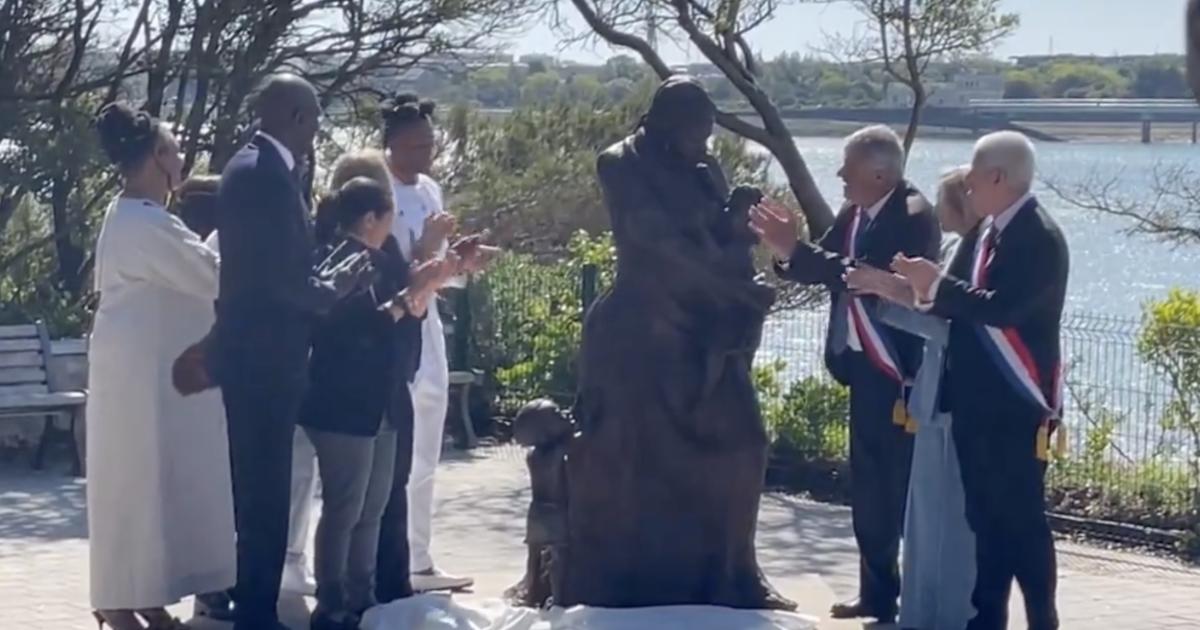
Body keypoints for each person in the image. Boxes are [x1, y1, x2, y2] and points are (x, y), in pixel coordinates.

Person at [561, 76, 787, 609]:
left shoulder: (707, 168)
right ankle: (626, 578)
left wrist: (742, 230)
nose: (704, 144)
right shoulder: (620, 162)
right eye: (694, 132)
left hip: (707, 328)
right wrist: (733, 284)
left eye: (708, 132)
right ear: (664, 122)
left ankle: (736, 571)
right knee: (629, 459)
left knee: (744, 444)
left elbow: (719, 235)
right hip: (644, 330)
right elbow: (655, 241)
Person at [750, 124, 941, 624]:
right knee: (869, 486)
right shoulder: (856, 212)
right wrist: (786, 252)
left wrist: (798, 250)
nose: (838, 175)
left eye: (848, 168)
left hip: (901, 373)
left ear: (880, 174)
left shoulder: (914, 217)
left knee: (897, 488)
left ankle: (913, 592)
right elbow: (824, 263)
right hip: (862, 366)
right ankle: (876, 594)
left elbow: (858, 274)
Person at [212, 73, 373, 630]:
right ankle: (255, 614)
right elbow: (271, 279)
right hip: (263, 361)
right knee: (263, 496)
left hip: (261, 358)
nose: (319, 132)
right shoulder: (263, 175)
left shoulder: (256, 168)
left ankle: (255, 608)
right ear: (298, 118)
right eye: (316, 120)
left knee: (264, 493)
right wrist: (334, 291)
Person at [891, 131, 1067, 630]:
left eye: (972, 175)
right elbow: (962, 304)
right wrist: (926, 287)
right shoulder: (991, 233)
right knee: (984, 521)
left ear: (998, 177)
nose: (965, 185)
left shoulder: (1039, 236)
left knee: (1023, 525)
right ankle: (986, 617)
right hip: (975, 403)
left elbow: (1004, 309)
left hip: (1015, 403)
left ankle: (1041, 619)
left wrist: (938, 285)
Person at [86, 102, 235, 630]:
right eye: (172, 150)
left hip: (148, 370)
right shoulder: (141, 221)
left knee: (154, 483)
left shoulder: (141, 217)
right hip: (134, 376)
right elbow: (210, 274)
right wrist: (237, 232)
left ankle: (146, 593)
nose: (180, 159)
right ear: (156, 158)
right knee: (131, 483)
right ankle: (115, 598)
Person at [300, 175, 455, 630]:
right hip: (343, 404)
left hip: (383, 398)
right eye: (388, 217)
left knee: (372, 507)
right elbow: (347, 326)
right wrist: (404, 302)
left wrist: (425, 284)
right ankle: (331, 603)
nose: (391, 227)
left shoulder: (383, 258)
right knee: (344, 508)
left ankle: (363, 597)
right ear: (371, 218)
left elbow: (400, 315)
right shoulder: (334, 259)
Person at [845, 166, 980, 630]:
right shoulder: (967, 248)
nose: (939, 212)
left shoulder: (975, 251)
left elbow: (957, 323)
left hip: (954, 404)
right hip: (933, 402)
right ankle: (920, 611)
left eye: (946, 201)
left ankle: (948, 614)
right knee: (922, 519)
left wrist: (890, 292)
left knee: (945, 523)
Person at [380, 93, 473, 593]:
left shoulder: (432, 189)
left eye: (429, 145)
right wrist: (430, 253)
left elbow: (436, 267)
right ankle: (393, 558)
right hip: (395, 325)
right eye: (414, 145)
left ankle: (420, 556)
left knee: (429, 447)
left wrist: (460, 263)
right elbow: (397, 265)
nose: (423, 155)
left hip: (429, 322)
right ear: (391, 143)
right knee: (401, 448)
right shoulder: (378, 188)